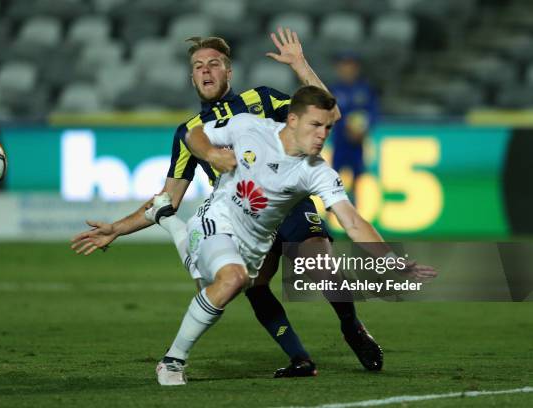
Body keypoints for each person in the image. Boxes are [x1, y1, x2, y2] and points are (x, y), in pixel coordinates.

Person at [71, 28, 380, 377]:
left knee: (316, 261)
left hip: (289, 202)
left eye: (214, 64)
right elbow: (167, 198)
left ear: (228, 72)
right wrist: (117, 228)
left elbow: (327, 112)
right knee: (255, 285)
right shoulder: (190, 130)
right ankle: (300, 359)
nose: (206, 71)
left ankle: (351, 326)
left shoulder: (259, 101)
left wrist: (300, 64)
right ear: (192, 77)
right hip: (242, 217)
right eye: (199, 66)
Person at [152, 85, 437, 385]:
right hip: (216, 220)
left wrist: (391, 260)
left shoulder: (316, 171)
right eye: (315, 125)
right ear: (292, 121)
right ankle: (171, 362)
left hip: (254, 244)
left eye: (327, 128)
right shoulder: (250, 127)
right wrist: (211, 153)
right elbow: (193, 133)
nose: (322, 134)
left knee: (223, 282)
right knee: (231, 279)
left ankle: (168, 221)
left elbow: (352, 220)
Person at [329, 52, 379, 202]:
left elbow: (373, 113)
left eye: (350, 66)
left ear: (356, 68)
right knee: (333, 179)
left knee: (357, 179)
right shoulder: (333, 90)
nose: (346, 69)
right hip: (339, 141)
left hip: (358, 142)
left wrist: (363, 130)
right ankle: (330, 214)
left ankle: (354, 210)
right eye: (343, 66)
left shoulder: (366, 90)